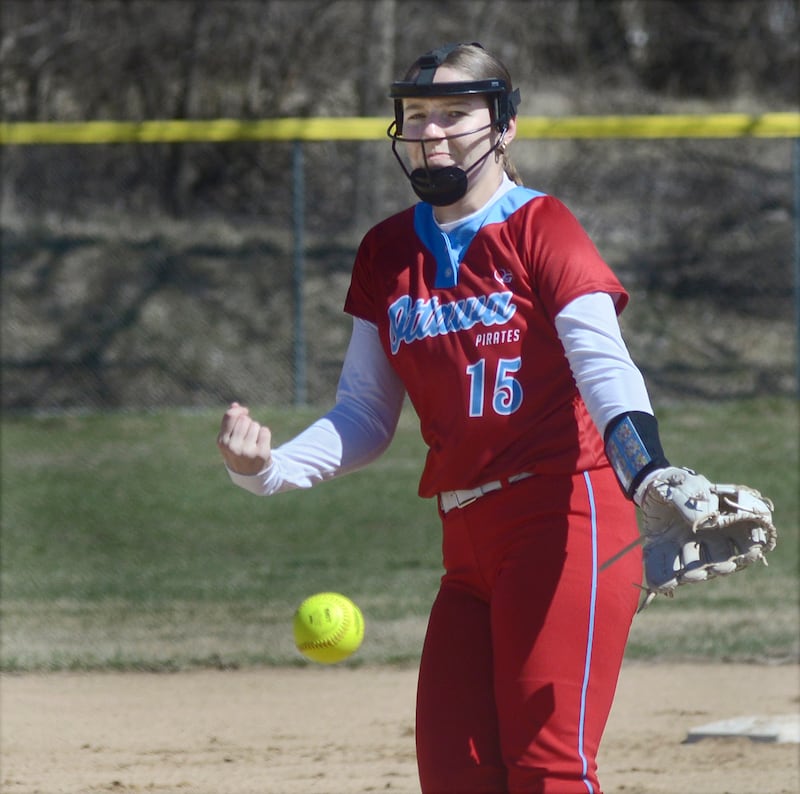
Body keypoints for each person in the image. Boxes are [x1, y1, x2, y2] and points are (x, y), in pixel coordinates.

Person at [216, 42, 672, 794]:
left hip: (567, 512)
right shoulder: (388, 252)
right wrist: (267, 469)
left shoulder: (541, 226)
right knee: (456, 773)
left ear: (505, 126)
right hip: (465, 536)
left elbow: (603, 364)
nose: (432, 132)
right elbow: (365, 412)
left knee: (547, 770)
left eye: (454, 114)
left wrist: (648, 470)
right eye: (418, 116)